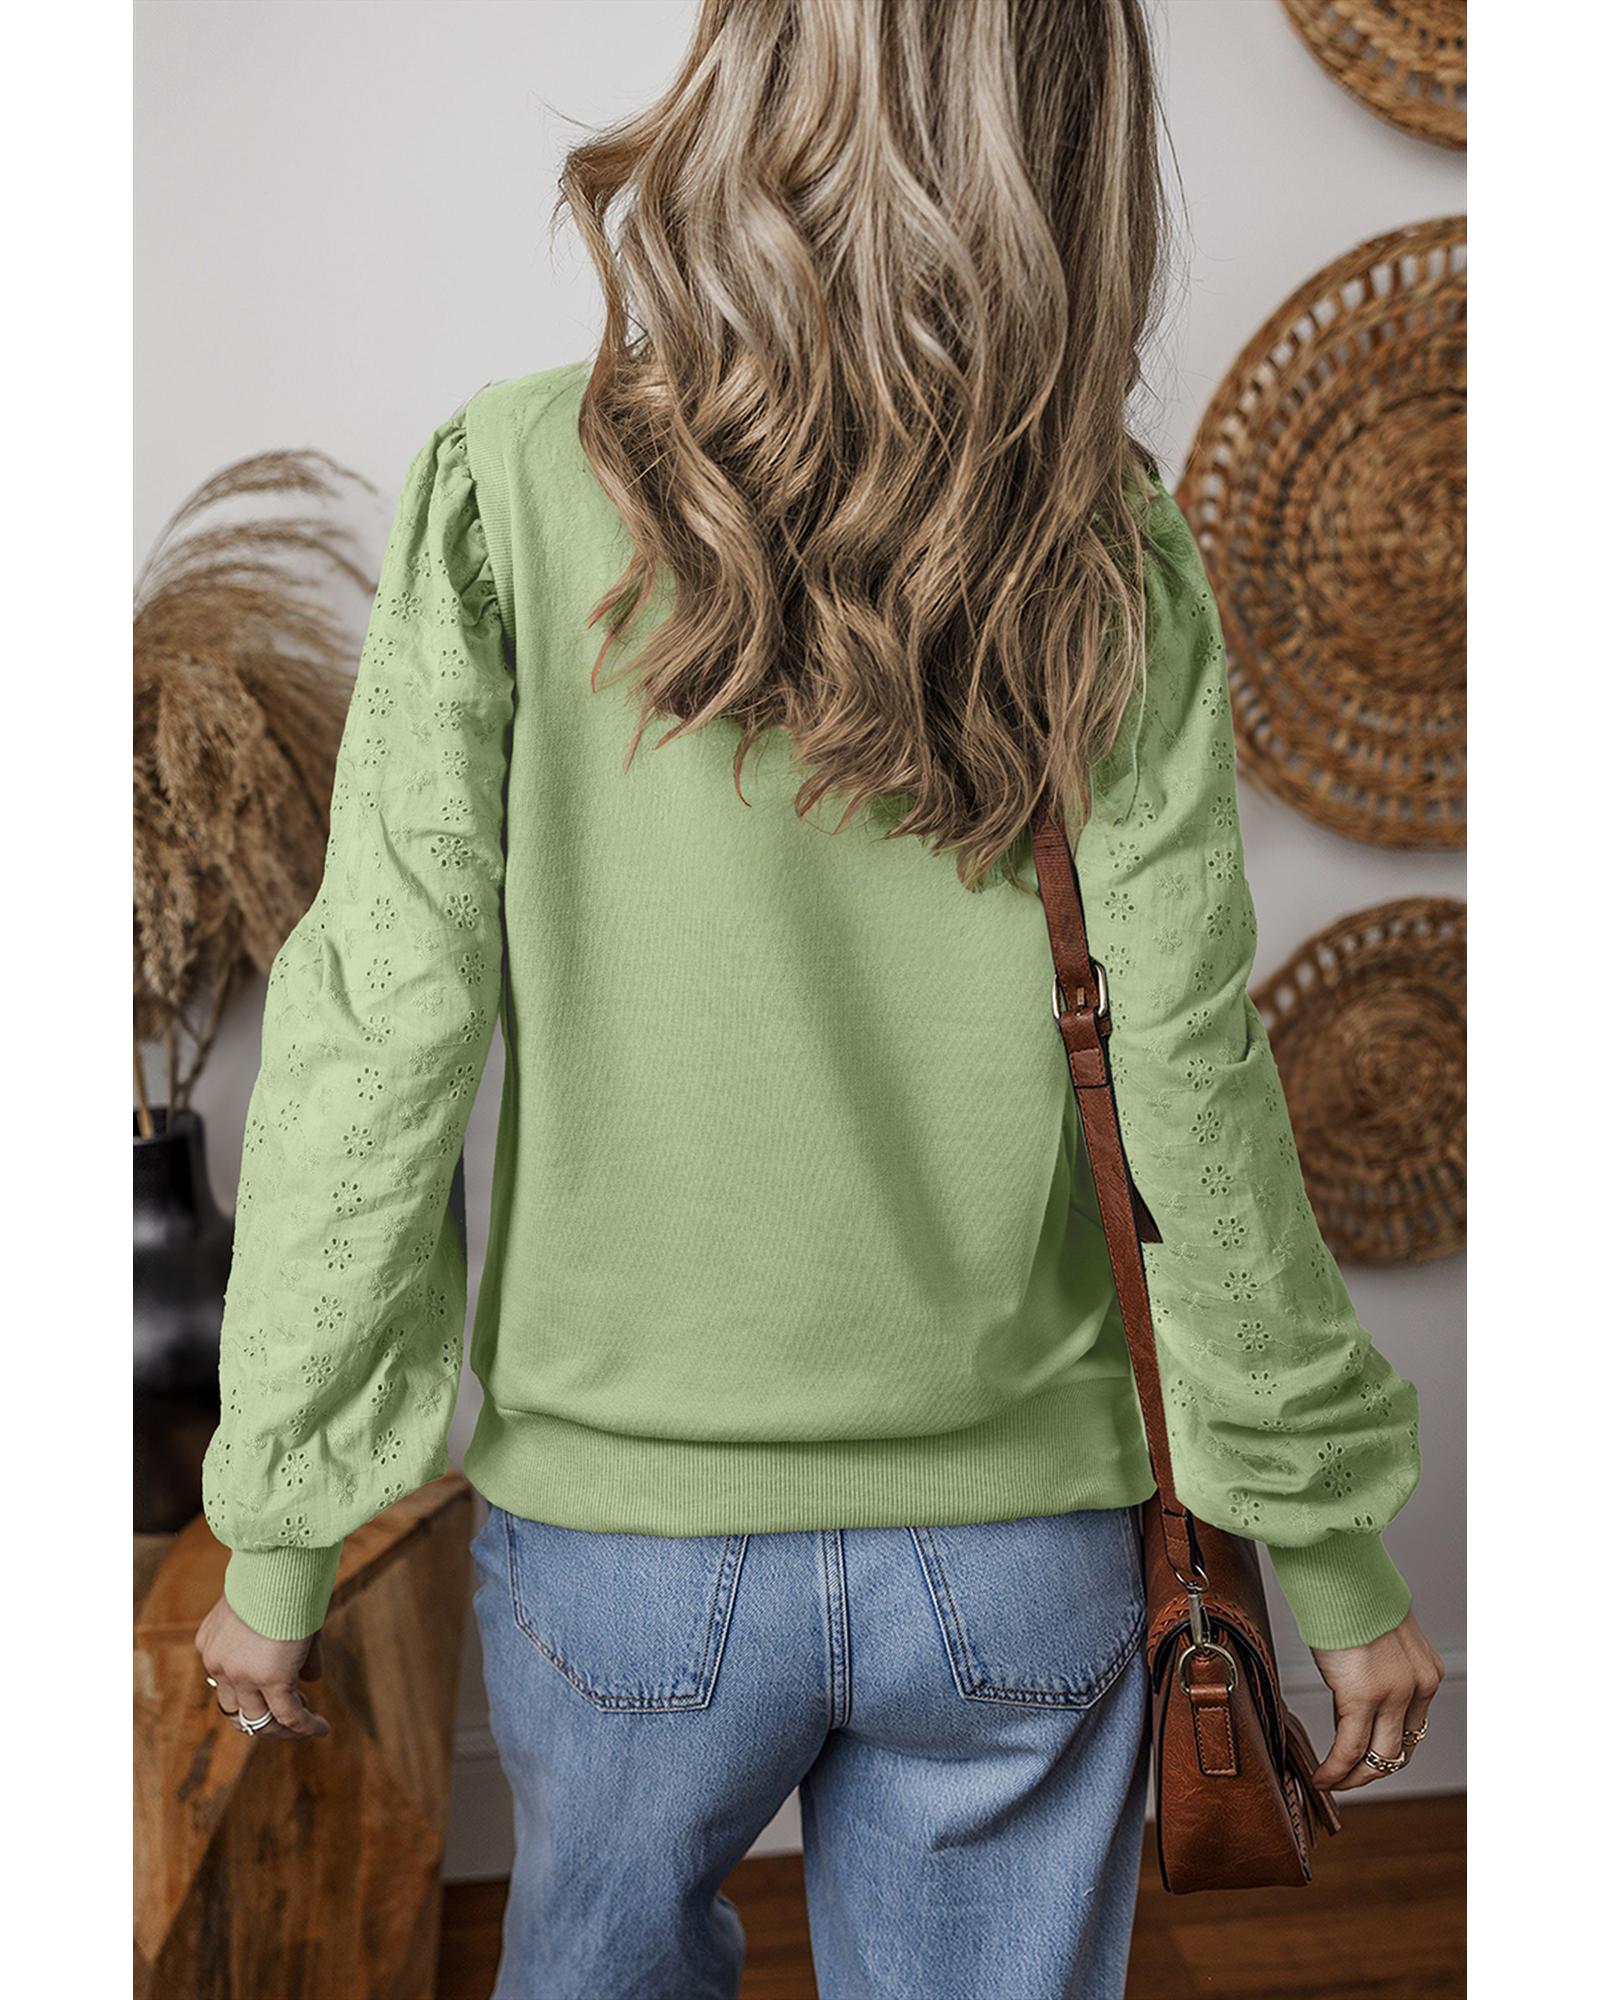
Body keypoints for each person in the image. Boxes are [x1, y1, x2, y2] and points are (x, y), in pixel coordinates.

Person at [194, 2, 1444, 1993]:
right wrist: (1327, 1545)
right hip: (1020, 1543)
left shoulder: (510, 481)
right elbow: (1189, 1078)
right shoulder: (1102, 540)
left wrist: (280, 1529)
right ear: (1067, 138)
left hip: (627, 1544)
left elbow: (376, 1035)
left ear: (744, 78)